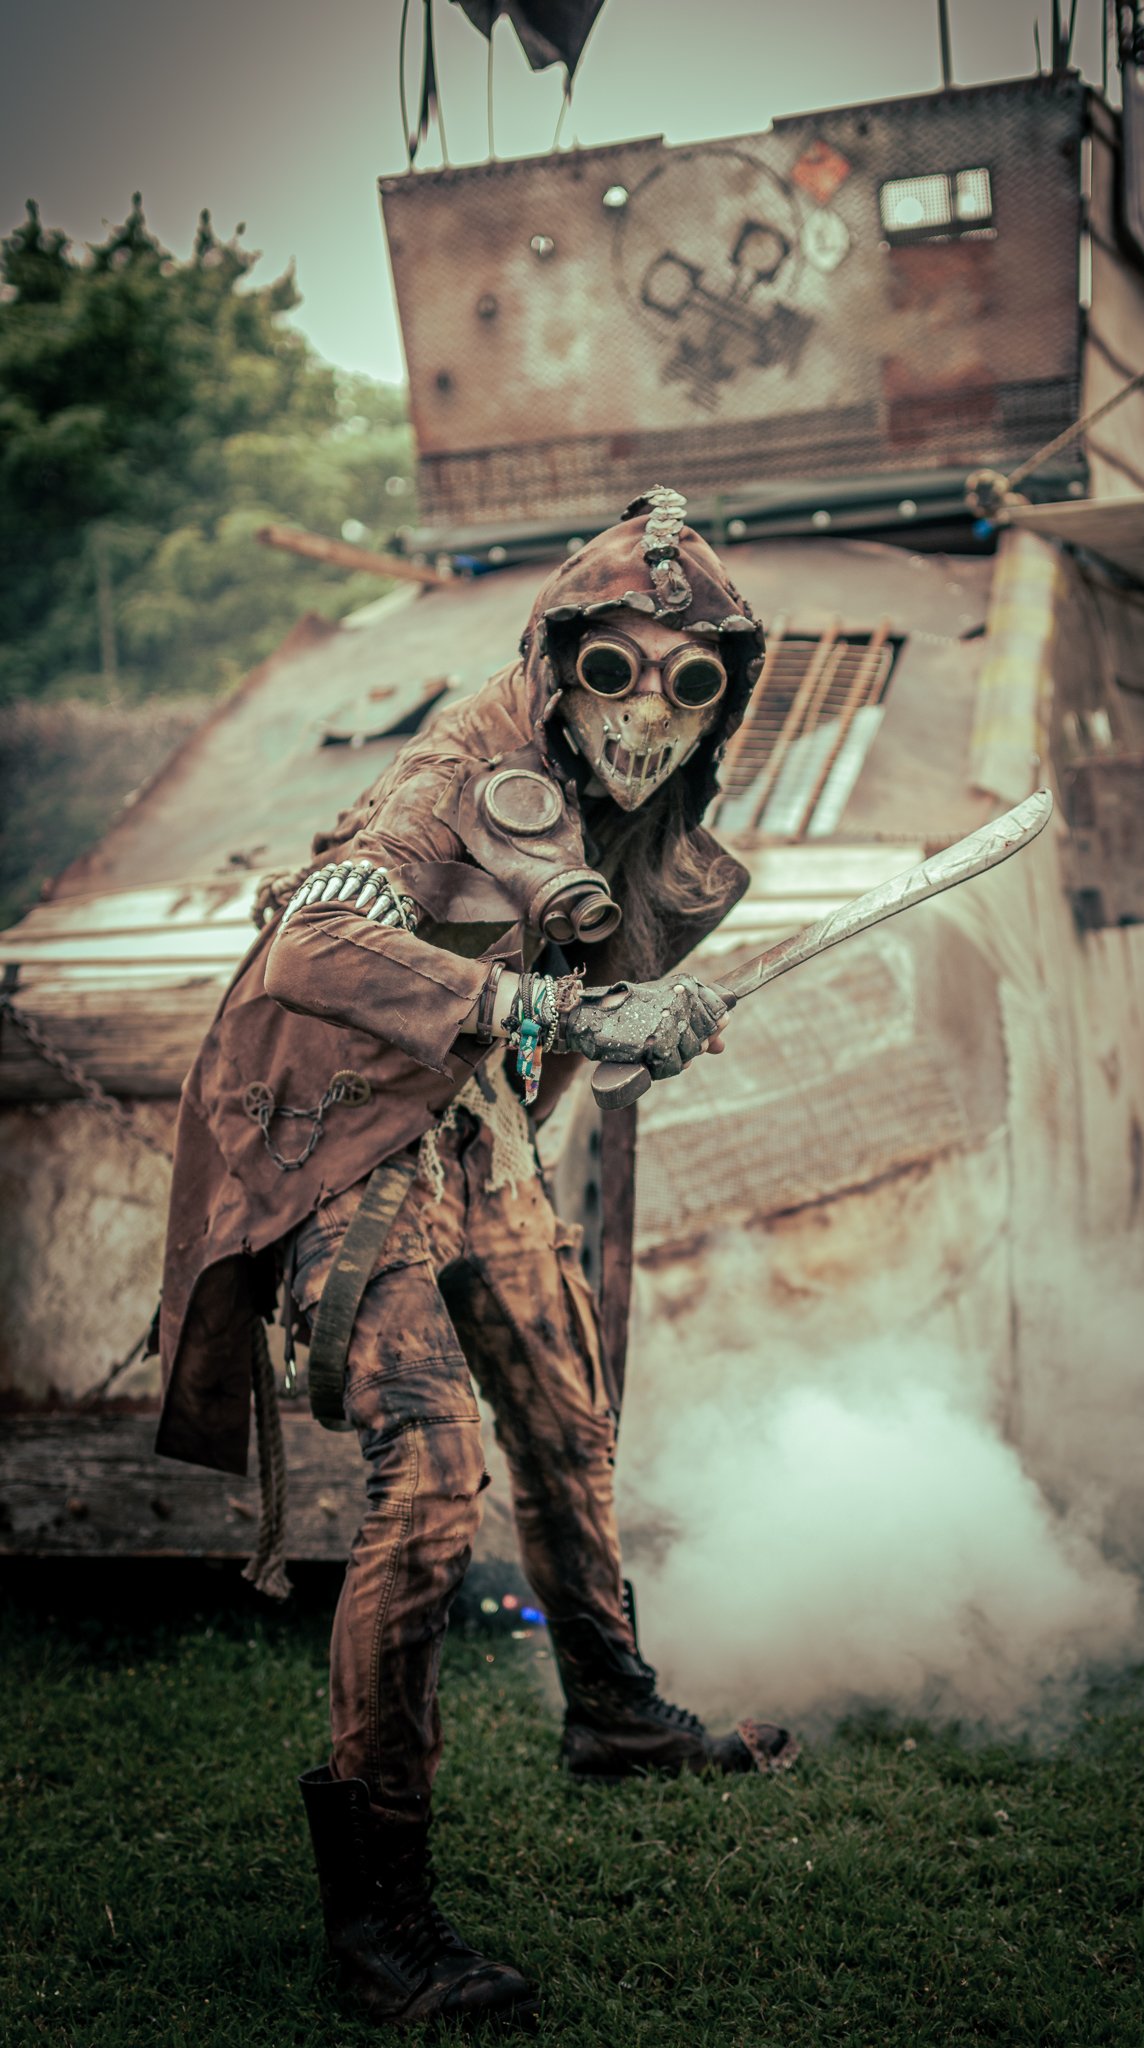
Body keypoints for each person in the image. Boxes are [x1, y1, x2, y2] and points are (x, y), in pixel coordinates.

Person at [154, 488, 794, 2031]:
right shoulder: (452, 772)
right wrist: (554, 1012)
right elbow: (312, 943)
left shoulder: (636, 804)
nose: (647, 712)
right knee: (433, 1476)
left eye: (689, 682)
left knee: (566, 1414)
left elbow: (584, 985)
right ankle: (379, 1916)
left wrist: (626, 1027)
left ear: (723, 699)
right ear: (561, 662)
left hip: (462, 1113)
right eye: (616, 671)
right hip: (340, 1128)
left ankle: (614, 1714)